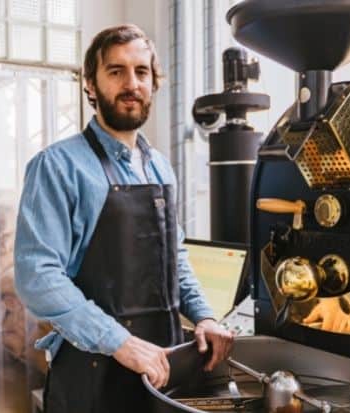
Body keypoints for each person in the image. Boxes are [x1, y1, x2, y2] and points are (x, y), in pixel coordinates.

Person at [14, 24, 233, 412]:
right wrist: (120, 342)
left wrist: (205, 317)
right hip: (92, 374)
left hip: (161, 370)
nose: (131, 83)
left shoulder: (161, 167)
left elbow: (174, 257)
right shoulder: (58, 166)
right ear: (91, 85)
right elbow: (38, 276)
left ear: (154, 83)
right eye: (116, 71)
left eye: (141, 72)